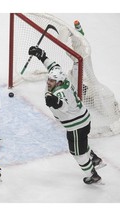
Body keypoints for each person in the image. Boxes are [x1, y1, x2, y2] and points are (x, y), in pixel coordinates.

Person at [28, 46, 105, 185]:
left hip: (76, 125)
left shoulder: (59, 93)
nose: (48, 82)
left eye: (52, 81)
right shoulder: (60, 78)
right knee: (81, 142)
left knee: (77, 153)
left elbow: (64, 106)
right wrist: (42, 55)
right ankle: (94, 158)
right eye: (49, 79)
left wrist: (56, 102)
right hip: (84, 118)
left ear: (58, 82)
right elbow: (54, 66)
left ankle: (92, 175)